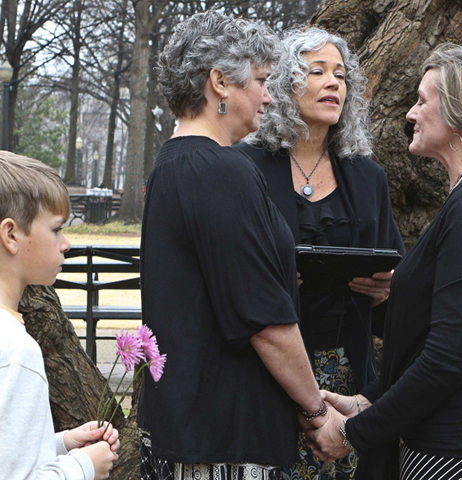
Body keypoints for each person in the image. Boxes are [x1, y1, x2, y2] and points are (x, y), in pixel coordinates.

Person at [303, 44, 462, 480]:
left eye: (422, 100)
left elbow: (448, 358)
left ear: (458, 115)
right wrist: (368, 399)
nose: (411, 113)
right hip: (454, 433)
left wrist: (354, 432)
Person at [138, 11, 338, 480]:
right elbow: (263, 320)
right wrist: (316, 411)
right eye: (263, 80)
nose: (270, 96)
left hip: (187, 426)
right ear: (220, 82)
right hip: (222, 439)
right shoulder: (219, 171)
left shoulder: (171, 166)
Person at [237, 27, 405, 480]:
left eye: (341, 75)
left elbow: (398, 278)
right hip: (265, 369)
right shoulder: (244, 167)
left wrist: (387, 292)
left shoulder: (368, 177)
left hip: (348, 372)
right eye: (317, 72)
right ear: (284, 85)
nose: (334, 83)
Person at [0, 152, 120, 480]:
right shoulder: (16, 352)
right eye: (56, 230)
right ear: (11, 235)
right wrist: (84, 466)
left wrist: (62, 444)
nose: (65, 243)